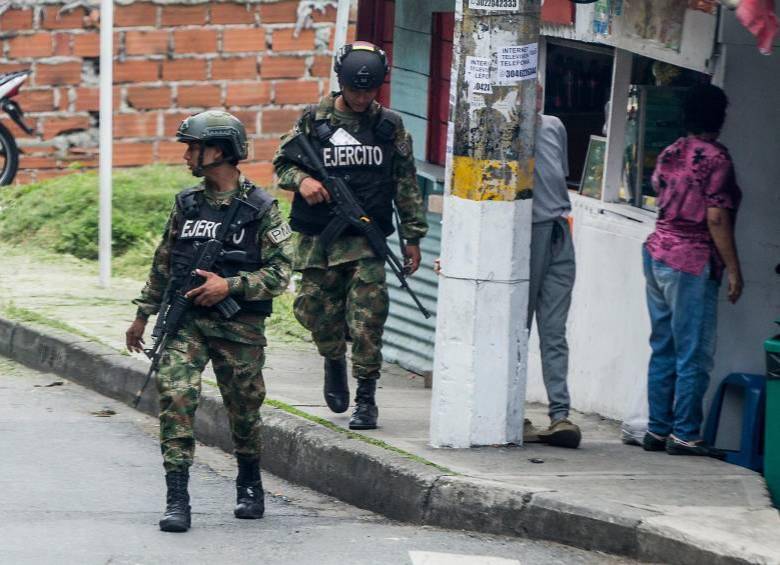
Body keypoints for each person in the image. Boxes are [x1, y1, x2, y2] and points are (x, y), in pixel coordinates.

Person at [125, 110, 293, 532]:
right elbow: (164, 263)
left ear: (217, 151)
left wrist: (230, 286)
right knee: (176, 399)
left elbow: (280, 274)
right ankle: (177, 499)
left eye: (192, 147)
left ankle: (249, 483)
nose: (186, 155)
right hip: (186, 324)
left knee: (244, 408)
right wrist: (142, 315)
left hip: (239, 329)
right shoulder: (186, 204)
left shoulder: (262, 208)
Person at [273, 41, 428, 430]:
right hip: (318, 242)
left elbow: (405, 184)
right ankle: (332, 359)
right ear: (341, 83)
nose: (362, 98)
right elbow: (281, 164)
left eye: (370, 91)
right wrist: (303, 180)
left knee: (368, 319)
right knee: (315, 313)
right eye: (355, 90)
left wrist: (413, 237)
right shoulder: (312, 120)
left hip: (365, 241)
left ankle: (366, 399)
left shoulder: (389, 126)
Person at [642, 84, 742, 456]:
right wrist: (734, 269)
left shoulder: (671, 151)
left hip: (656, 253)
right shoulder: (716, 159)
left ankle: (657, 429)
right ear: (719, 118)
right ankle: (685, 433)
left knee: (664, 345)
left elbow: (657, 190)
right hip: (691, 259)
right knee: (693, 352)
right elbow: (716, 218)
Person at [523, 84, 580, 449]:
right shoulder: (506, 135)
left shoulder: (553, 126)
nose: (536, 102)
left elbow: (561, 174)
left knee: (554, 330)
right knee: (518, 327)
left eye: (540, 95)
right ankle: (511, 409)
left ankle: (560, 414)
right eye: (530, 95)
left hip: (559, 229)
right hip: (527, 234)